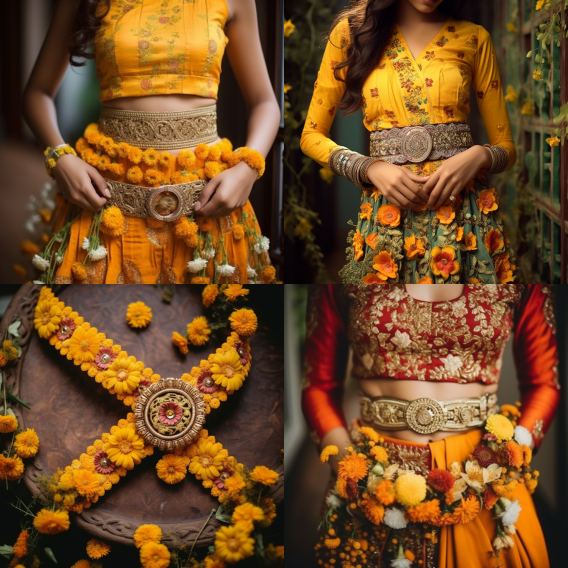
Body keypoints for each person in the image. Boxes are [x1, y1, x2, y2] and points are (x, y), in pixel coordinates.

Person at [302, 284, 560, 567]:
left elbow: (543, 384)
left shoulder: (519, 265)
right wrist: (350, 468)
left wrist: (508, 456)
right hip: (370, 475)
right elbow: (318, 385)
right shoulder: (343, 265)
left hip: (482, 475)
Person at [23, 0, 280, 284]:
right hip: (106, 201)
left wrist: (248, 168)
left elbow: (264, 102)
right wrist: (59, 157)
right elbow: (37, 93)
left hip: (208, 202)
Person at [300, 0, 517, 284]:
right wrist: (369, 168)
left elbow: (507, 148)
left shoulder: (474, 37)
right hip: (389, 216)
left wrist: (478, 156)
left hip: (464, 216)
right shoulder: (351, 33)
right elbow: (310, 136)